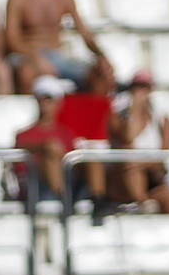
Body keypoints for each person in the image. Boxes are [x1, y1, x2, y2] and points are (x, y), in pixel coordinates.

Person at [105, 71, 169, 248]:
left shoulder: (162, 118)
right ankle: (142, 202)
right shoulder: (117, 116)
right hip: (123, 182)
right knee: (129, 162)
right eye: (136, 87)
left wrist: (141, 163)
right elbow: (127, 138)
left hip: (151, 177)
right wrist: (135, 111)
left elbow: (164, 157)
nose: (140, 91)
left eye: (144, 87)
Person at [13, 75, 111, 214]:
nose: (45, 103)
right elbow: (20, 150)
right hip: (41, 184)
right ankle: (65, 200)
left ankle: (98, 199)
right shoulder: (24, 135)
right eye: (42, 98)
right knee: (51, 154)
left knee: (90, 156)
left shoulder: (67, 132)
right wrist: (45, 147)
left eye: (50, 99)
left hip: (68, 179)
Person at [5, 0, 113, 95]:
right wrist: (36, 58)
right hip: (28, 54)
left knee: (101, 76)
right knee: (26, 73)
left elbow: (84, 32)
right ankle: (37, 113)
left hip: (57, 57)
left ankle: (90, 113)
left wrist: (101, 56)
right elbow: (12, 39)